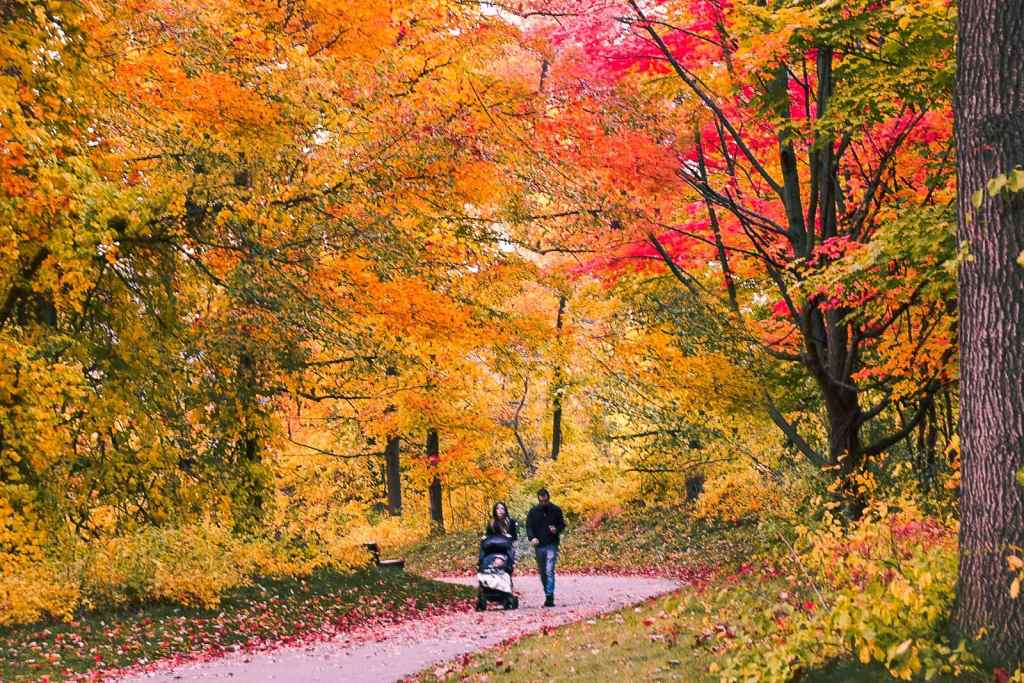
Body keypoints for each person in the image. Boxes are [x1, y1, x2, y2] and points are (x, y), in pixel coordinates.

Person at [526, 488, 565, 607]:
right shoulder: (533, 512)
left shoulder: (556, 510)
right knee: (543, 572)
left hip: (551, 543)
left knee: (549, 570)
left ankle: (550, 596)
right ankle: (547, 592)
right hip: (539, 545)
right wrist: (532, 538)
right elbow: (529, 527)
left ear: (549, 499)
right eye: (541, 501)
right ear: (538, 500)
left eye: (545, 501)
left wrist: (556, 530)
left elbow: (562, 524)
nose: (544, 503)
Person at [485, 501, 519, 570]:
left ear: (505, 510)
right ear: (495, 510)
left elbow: (514, 537)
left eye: (502, 508)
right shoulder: (491, 522)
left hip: (506, 547)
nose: (500, 511)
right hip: (494, 546)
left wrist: (509, 537)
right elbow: (488, 535)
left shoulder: (510, 522)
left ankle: (509, 567)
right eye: (497, 509)